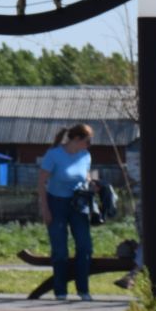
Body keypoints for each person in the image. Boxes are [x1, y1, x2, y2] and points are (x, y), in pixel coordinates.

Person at [38, 123, 97, 301]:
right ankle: (60, 291)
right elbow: (41, 183)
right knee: (60, 250)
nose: (89, 145)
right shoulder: (54, 155)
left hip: (78, 204)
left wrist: (92, 183)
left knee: (85, 246)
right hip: (57, 203)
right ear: (76, 139)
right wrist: (45, 209)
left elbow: (87, 175)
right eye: (87, 141)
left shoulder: (85, 155)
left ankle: (83, 289)